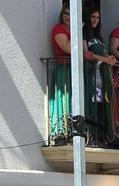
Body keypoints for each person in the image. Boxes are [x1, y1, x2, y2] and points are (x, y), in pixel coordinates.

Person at [82, 5, 118, 144]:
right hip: (90, 73)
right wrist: (105, 59)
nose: (95, 20)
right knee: (91, 104)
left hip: (102, 75)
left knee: (102, 104)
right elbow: (87, 54)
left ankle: (102, 136)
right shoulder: (84, 33)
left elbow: (102, 55)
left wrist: (110, 58)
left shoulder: (99, 36)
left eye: (97, 17)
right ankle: (90, 135)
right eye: (93, 17)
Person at [48, 2, 73, 141]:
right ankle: (61, 130)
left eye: (71, 14)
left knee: (74, 100)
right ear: (62, 16)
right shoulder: (58, 29)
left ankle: (73, 128)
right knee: (64, 98)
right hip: (63, 68)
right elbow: (68, 48)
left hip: (73, 69)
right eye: (66, 14)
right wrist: (75, 32)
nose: (69, 17)